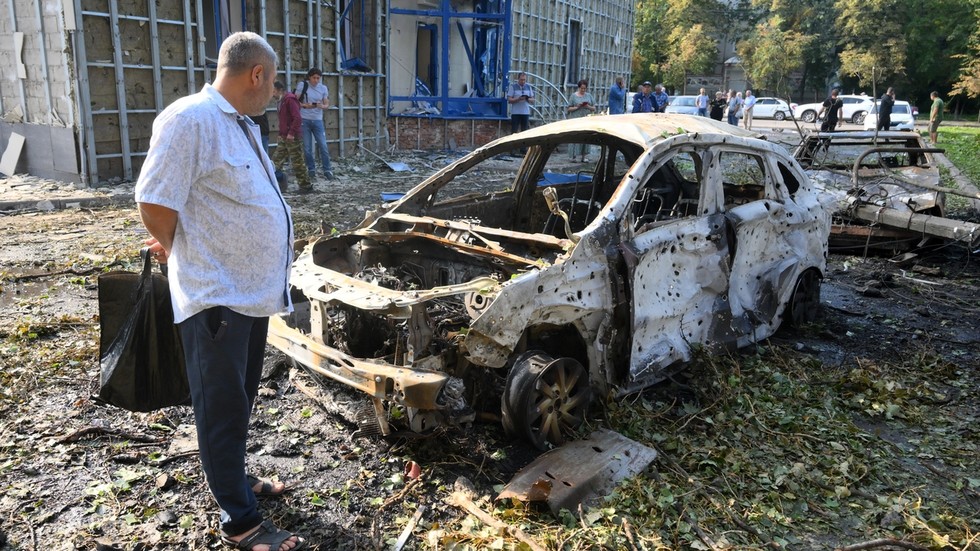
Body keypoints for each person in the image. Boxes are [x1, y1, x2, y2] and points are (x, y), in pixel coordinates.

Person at [135, 32, 305, 551]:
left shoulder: (239, 126)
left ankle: (236, 481)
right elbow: (154, 201)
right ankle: (242, 524)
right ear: (256, 74)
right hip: (216, 297)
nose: (273, 92)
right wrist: (184, 252)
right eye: (272, 82)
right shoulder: (190, 120)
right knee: (220, 408)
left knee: (239, 401)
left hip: (249, 296)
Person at [272, 80, 312, 193]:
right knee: (275, 162)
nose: (272, 94)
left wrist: (291, 133)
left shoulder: (289, 100)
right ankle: (278, 185)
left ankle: (306, 186)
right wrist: (281, 134)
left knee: (297, 162)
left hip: (292, 137)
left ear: (280, 90)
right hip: (285, 136)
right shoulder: (282, 101)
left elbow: (297, 118)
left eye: (274, 91)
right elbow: (284, 120)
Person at [295, 68, 334, 180]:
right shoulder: (302, 85)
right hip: (305, 119)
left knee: (323, 145)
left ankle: (327, 169)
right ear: (309, 77)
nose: (316, 80)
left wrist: (322, 106)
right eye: (314, 78)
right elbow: (295, 101)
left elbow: (326, 103)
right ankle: (311, 169)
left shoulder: (323, 88)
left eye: (318, 78)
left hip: (317, 119)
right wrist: (305, 105)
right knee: (307, 147)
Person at [567, 79, 596, 161]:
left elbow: (594, 108)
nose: (583, 90)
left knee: (585, 137)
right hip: (575, 118)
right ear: (579, 88)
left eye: (584, 88)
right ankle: (573, 156)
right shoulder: (573, 96)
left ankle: (584, 156)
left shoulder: (589, 96)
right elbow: (569, 108)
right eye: (581, 88)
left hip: (586, 118)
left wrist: (588, 106)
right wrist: (577, 107)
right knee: (575, 137)